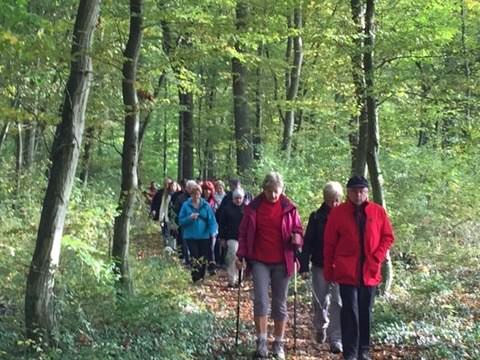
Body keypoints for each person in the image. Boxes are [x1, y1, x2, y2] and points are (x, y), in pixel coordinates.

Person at [324, 176, 395, 360]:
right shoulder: (338, 213)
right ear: (348, 192)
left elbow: (388, 237)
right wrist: (329, 268)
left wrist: (378, 256)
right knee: (350, 311)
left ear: (367, 192)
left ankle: (363, 350)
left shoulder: (377, 212)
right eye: (354, 191)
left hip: (370, 271)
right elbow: (330, 243)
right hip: (346, 271)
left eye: (362, 191)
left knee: (365, 311)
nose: (358, 194)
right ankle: (350, 352)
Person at [236, 172, 303, 360]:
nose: (273, 195)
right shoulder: (253, 208)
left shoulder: (289, 208)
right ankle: (262, 342)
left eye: (276, 191)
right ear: (263, 189)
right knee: (260, 300)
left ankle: (278, 343)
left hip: (282, 261)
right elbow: (243, 233)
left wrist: (296, 239)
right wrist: (240, 255)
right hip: (259, 260)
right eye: (269, 191)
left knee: (280, 303)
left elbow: (298, 230)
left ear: (282, 189)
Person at [299, 181, 344, 354]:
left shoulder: (345, 216)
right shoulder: (316, 217)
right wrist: (304, 264)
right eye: (332, 200)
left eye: (338, 199)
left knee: (338, 302)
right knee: (320, 300)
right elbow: (308, 241)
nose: (335, 203)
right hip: (319, 264)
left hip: (340, 266)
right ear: (325, 199)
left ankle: (336, 339)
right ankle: (320, 326)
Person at [179, 182, 218, 282]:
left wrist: (213, 232)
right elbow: (181, 221)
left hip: (204, 236)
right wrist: (189, 218)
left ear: (200, 194)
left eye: (198, 194)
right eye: (194, 194)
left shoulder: (206, 205)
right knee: (194, 256)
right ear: (191, 194)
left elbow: (212, 220)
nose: (196, 196)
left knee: (203, 256)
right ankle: (195, 277)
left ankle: (202, 275)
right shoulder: (186, 205)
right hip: (190, 236)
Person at [217, 187, 245, 287]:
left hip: (244, 238)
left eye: (240, 198)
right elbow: (221, 224)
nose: (238, 200)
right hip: (231, 236)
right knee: (232, 256)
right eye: (236, 198)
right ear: (233, 198)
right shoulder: (227, 209)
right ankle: (232, 279)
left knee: (242, 259)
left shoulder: (246, 209)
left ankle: (240, 279)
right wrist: (222, 238)